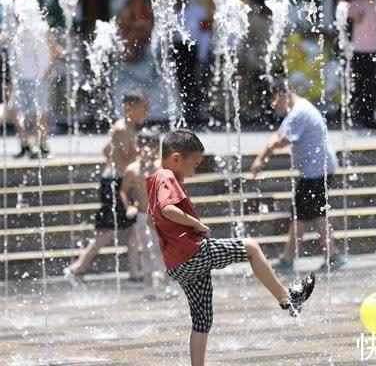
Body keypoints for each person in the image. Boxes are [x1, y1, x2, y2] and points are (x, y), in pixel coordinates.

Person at [146, 129, 315, 366]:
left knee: (202, 321)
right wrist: (197, 225)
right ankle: (287, 299)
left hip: (177, 264)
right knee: (251, 247)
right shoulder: (166, 177)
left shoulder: (153, 180)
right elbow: (167, 210)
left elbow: (150, 219)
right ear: (175, 159)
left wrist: (170, 241)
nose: (193, 171)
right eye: (193, 165)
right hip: (193, 253)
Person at [251, 77, 347, 274]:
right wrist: (262, 155)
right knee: (303, 215)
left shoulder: (300, 113)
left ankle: (329, 257)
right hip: (316, 170)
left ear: (281, 95)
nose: (273, 106)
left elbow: (282, 140)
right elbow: (279, 134)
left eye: (273, 101)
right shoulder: (298, 109)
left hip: (317, 171)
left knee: (311, 214)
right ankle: (297, 258)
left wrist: (262, 158)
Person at [63, 89, 149, 283]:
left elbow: (106, 149)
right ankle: (78, 266)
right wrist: (143, 154)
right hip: (115, 183)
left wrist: (113, 164)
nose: (146, 112)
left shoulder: (126, 127)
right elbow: (128, 156)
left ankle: (135, 272)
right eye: (143, 108)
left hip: (116, 179)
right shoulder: (122, 128)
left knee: (132, 227)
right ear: (129, 108)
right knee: (108, 230)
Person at [1, 0, 61, 158]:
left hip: (26, 64)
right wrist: (52, 58)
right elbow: (42, 28)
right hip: (30, 64)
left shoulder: (7, 2)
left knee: (21, 107)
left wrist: (52, 58)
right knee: (28, 107)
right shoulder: (21, 0)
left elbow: (35, 27)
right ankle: (37, 144)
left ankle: (32, 143)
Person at [120, 127, 178, 300]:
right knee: (145, 251)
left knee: (164, 250)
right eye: (142, 145)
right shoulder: (133, 169)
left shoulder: (161, 167)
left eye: (151, 146)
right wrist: (129, 206)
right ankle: (148, 287)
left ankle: (169, 284)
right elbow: (123, 191)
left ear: (156, 148)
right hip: (142, 215)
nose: (146, 149)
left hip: (161, 216)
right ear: (137, 146)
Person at [339, 0, 376, 130]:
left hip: (375, 50)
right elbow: (341, 10)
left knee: (372, 85)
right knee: (359, 84)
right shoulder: (356, 3)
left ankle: (373, 116)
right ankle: (362, 117)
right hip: (358, 50)